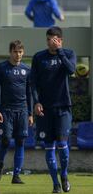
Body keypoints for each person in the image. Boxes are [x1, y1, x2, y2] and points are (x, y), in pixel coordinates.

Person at [31, 27, 76, 193]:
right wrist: (36, 102)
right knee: (48, 146)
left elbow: (71, 70)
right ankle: (55, 183)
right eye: (49, 39)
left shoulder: (69, 54)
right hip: (45, 110)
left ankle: (64, 175)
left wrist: (60, 52)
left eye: (55, 39)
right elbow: (33, 83)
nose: (51, 42)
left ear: (60, 40)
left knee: (63, 144)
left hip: (63, 107)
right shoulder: (39, 57)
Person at [0, 40, 33, 184]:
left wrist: (30, 113)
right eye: (15, 51)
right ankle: (0, 164)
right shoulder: (2, 67)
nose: (18, 54)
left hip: (22, 110)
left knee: (21, 141)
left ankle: (16, 175)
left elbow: (29, 92)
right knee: (6, 139)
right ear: (10, 52)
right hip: (6, 110)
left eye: (20, 51)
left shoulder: (27, 69)